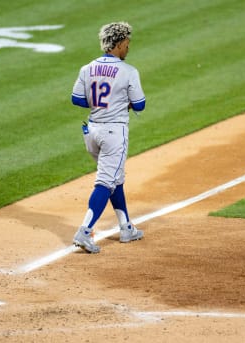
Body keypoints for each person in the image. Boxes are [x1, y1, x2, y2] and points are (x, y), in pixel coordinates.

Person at [71, 21, 146, 253]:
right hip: (114, 133)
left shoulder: (87, 68)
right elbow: (140, 105)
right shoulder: (128, 71)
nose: (128, 48)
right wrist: (119, 104)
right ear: (120, 43)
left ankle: (126, 227)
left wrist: (100, 104)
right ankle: (84, 231)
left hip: (92, 132)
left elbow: (77, 99)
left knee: (115, 178)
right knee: (105, 181)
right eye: (127, 44)